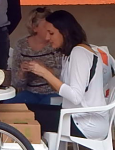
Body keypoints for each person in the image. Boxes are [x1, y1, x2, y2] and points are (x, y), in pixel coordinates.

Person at [21, 10, 109, 138]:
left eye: (51, 33)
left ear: (65, 32)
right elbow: (63, 89)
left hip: (86, 122)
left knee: (24, 115)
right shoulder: (68, 54)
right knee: (24, 110)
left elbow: (75, 97)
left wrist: (45, 73)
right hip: (75, 116)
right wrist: (42, 71)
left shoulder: (79, 53)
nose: (47, 38)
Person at [8, 7, 62, 107]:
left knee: (47, 110)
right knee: (8, 106)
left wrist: (43, 69)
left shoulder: (56, 44)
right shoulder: (21, 45)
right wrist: (22, 72)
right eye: (46, 26)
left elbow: (63, 76)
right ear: (34, 27)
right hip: (29, 93)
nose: (50, 29)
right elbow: (16, 84)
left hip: (53, 93)